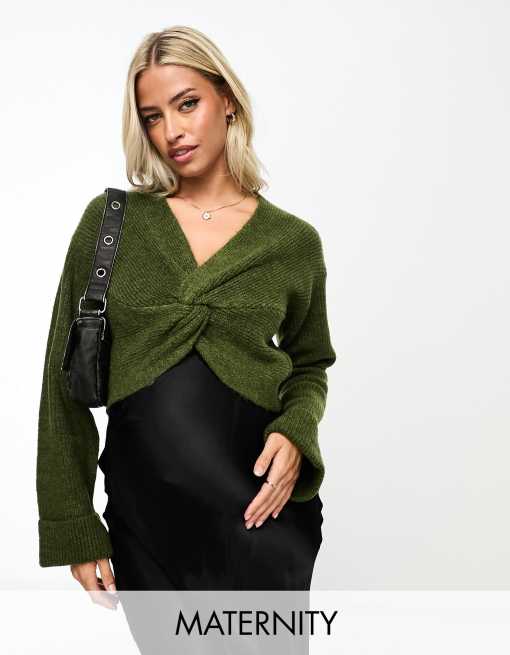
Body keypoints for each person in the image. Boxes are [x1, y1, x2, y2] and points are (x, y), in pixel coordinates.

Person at [36, 25, 337, 601]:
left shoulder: (292, 242)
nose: (170, 130)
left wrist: (296, 433)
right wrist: (73, 525)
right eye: (152, 116)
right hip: (146, 520)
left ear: (227, 100)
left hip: (261, 513)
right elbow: (61, 386)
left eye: (187, 104)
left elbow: (310, 363)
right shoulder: (110, 224)